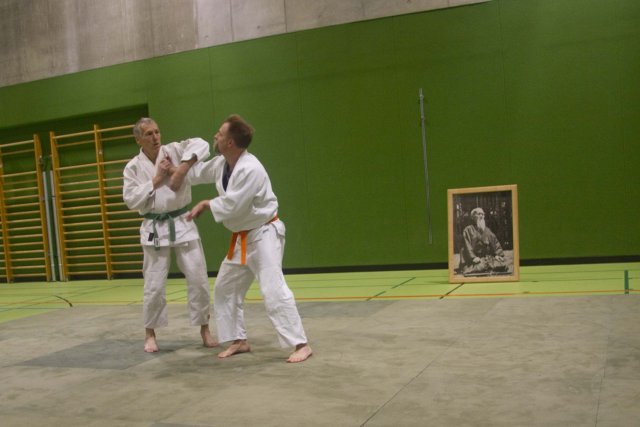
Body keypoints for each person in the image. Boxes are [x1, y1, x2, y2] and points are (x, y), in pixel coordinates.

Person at [187, 114, 312, 363]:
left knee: (272, 287)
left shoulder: (250, 168)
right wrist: (175, 170)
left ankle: (301, 344)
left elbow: (234, 205)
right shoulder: (222, 163)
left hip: (264, 234)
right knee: (225, 288)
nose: (215, 136)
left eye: (220, 133)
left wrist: (207, 204)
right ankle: (239, 340)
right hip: (243, 238)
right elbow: (198, 173)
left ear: (230, 142)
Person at [123, 117, 218, 353]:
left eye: (157, 132)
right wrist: (156, 180)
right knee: (154, 284)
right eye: (148, 134)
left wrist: (182, 167)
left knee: (198, 277)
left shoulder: (174, 151)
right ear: (138, 140)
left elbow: (202, 144)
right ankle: (150, 333)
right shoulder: (133, 167)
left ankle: (204, 328)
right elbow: (131, 200)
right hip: (154, 227)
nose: (155, 137)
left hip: (182, 221)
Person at [459, 207, 509, 275]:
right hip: (474, 259)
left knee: (503, 265)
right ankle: (483, 267)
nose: (481, 216)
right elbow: (466, 246)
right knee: (479, 267)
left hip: (487, 258)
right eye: (479, 214)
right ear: (473, 217)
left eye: (483, 214)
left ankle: (487, 266)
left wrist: (497, 255)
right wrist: (473, 257)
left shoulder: (487, 230)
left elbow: (495, 242)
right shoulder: (467, 230)